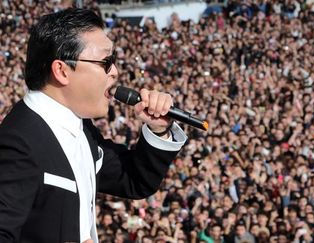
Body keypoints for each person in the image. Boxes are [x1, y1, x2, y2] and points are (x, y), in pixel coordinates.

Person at [0, 8, 187, 243]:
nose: (115, 72)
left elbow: (133, 180)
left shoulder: (80, 126)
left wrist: (159, 129)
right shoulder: (18, 143)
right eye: (106, 62)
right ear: (62, 70)